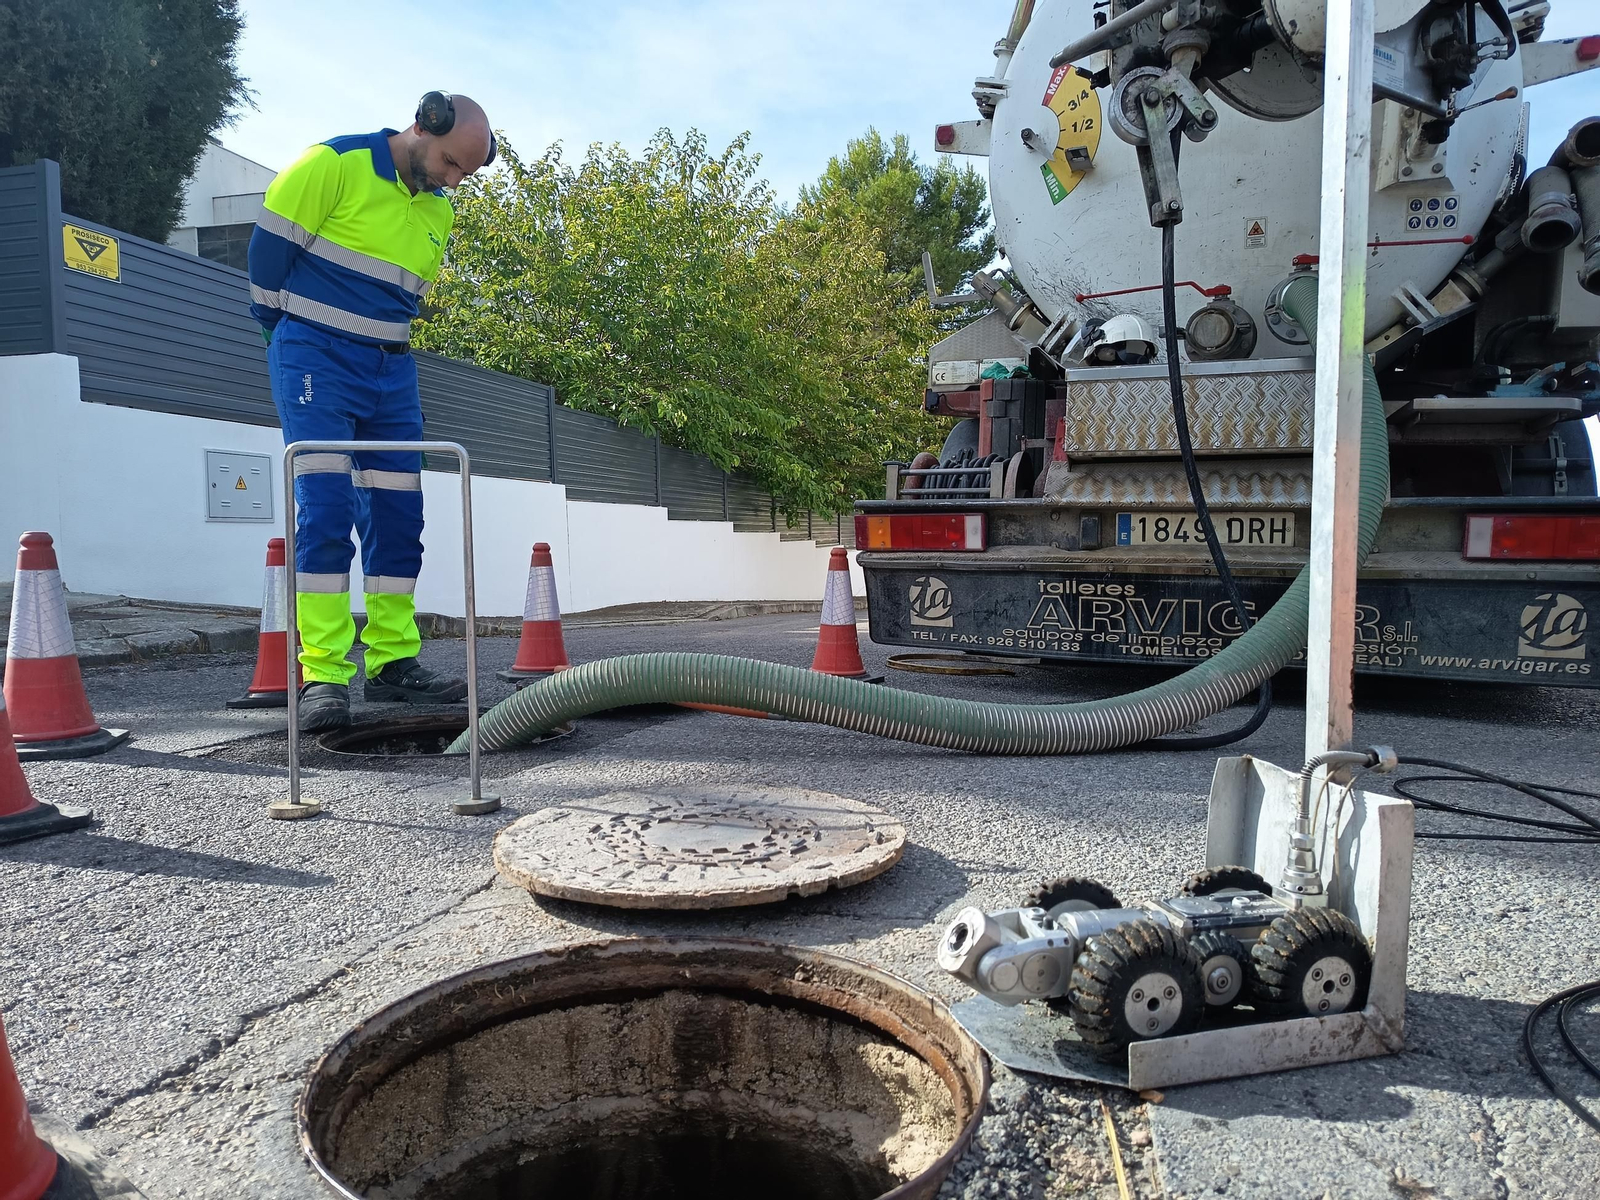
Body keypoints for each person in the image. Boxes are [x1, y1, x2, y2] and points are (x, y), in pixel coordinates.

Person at [247, 92, 495, 730]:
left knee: (397, 514)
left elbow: (403, 298)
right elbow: (265, 267)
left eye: (465, 172)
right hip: (314, 358)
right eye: (448, 163)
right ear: (425, 123)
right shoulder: (331, 164)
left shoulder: (438, 211)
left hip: (392, 370)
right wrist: (297, 340)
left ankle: (391, 664)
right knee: (326, 507)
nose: (452, 180)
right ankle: (324, 676)